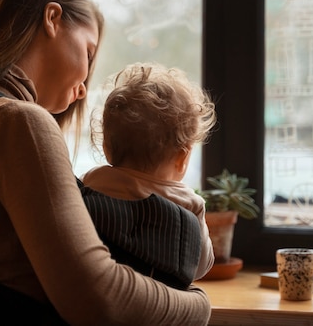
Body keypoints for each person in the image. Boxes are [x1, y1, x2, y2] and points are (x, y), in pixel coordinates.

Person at [0, 0, 211, 325]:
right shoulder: (14, 121)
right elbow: (99, 298)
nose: (85, 86)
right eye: (88, 52)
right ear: (53, 18)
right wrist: (198, 306)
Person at [81, 62, 217, 289]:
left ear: (106, 147)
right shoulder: (189, 204)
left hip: (101, 295)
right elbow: (199, 267)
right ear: (182, 158)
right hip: (159, 307)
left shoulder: (92, 182)